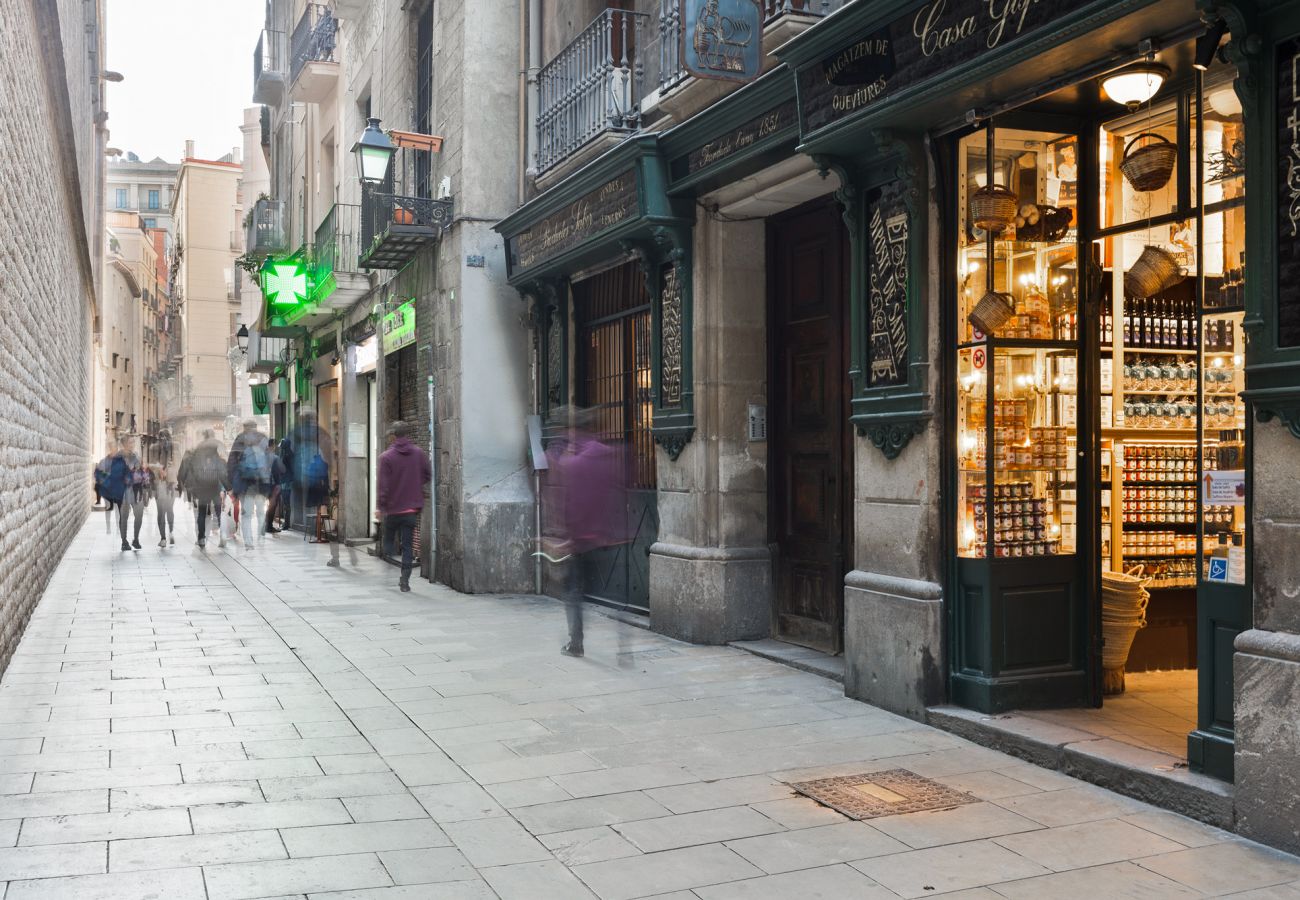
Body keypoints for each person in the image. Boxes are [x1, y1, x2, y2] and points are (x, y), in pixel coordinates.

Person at [542, 406, 631, 657]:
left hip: (583, 540)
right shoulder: (611, 455)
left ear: (574, 430)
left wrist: (568, 537)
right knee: (616, 594)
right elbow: (618, 491)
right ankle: (624, 646)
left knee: (573, 593)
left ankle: (576, 643)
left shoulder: (574, 463)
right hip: (610, 536)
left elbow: (572, 504)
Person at [376, 420, 431, 592]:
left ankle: (390, 558)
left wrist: (380, 507)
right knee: (408, 546)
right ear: (407, 434)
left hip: (393, 509)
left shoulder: (386, 457)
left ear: (393, 436)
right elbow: (428, 475)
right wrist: (414, 485)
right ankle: (405, 581)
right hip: (411, 510)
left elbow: (383, 487)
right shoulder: (419, 454)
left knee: (388, 541)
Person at [227, 419, 273, 549]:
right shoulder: (263, 438)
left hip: (245, 484)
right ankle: (261, 538)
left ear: (244, 427)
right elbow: (270, 460)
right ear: (255, 426)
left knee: (246, 514)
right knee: (260, 512)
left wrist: (231, 484)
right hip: (261, 483)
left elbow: (231, 463)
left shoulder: (240, 439)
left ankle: (248, 542)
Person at [100, 437, 147, 551]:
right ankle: (124, 541)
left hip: (135, 491)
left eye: (133, 443)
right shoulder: (117, 457)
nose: (132, 445)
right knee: (124, 517)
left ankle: (135, 539)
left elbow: (141, 473)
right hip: (124, 491)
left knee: (139, 515)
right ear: (125, 444)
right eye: (130, 442)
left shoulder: (136, 456)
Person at [184, 430, 228, 549]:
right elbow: (223, 472)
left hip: (203, 488)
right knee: (219, 512)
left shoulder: (199, 450)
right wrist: (227, 488)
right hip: (216, 487)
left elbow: (193, 471)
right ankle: (223, 535)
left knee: (202, 513)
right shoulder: (217, 448)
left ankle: (202, 538)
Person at [152, 466, 176, 547]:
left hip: (162, 497)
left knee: (161, 516)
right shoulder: (169, 474)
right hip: (167, 496)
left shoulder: (159, 479)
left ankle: (163, 539)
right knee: (169, 513)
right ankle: (170, 533)